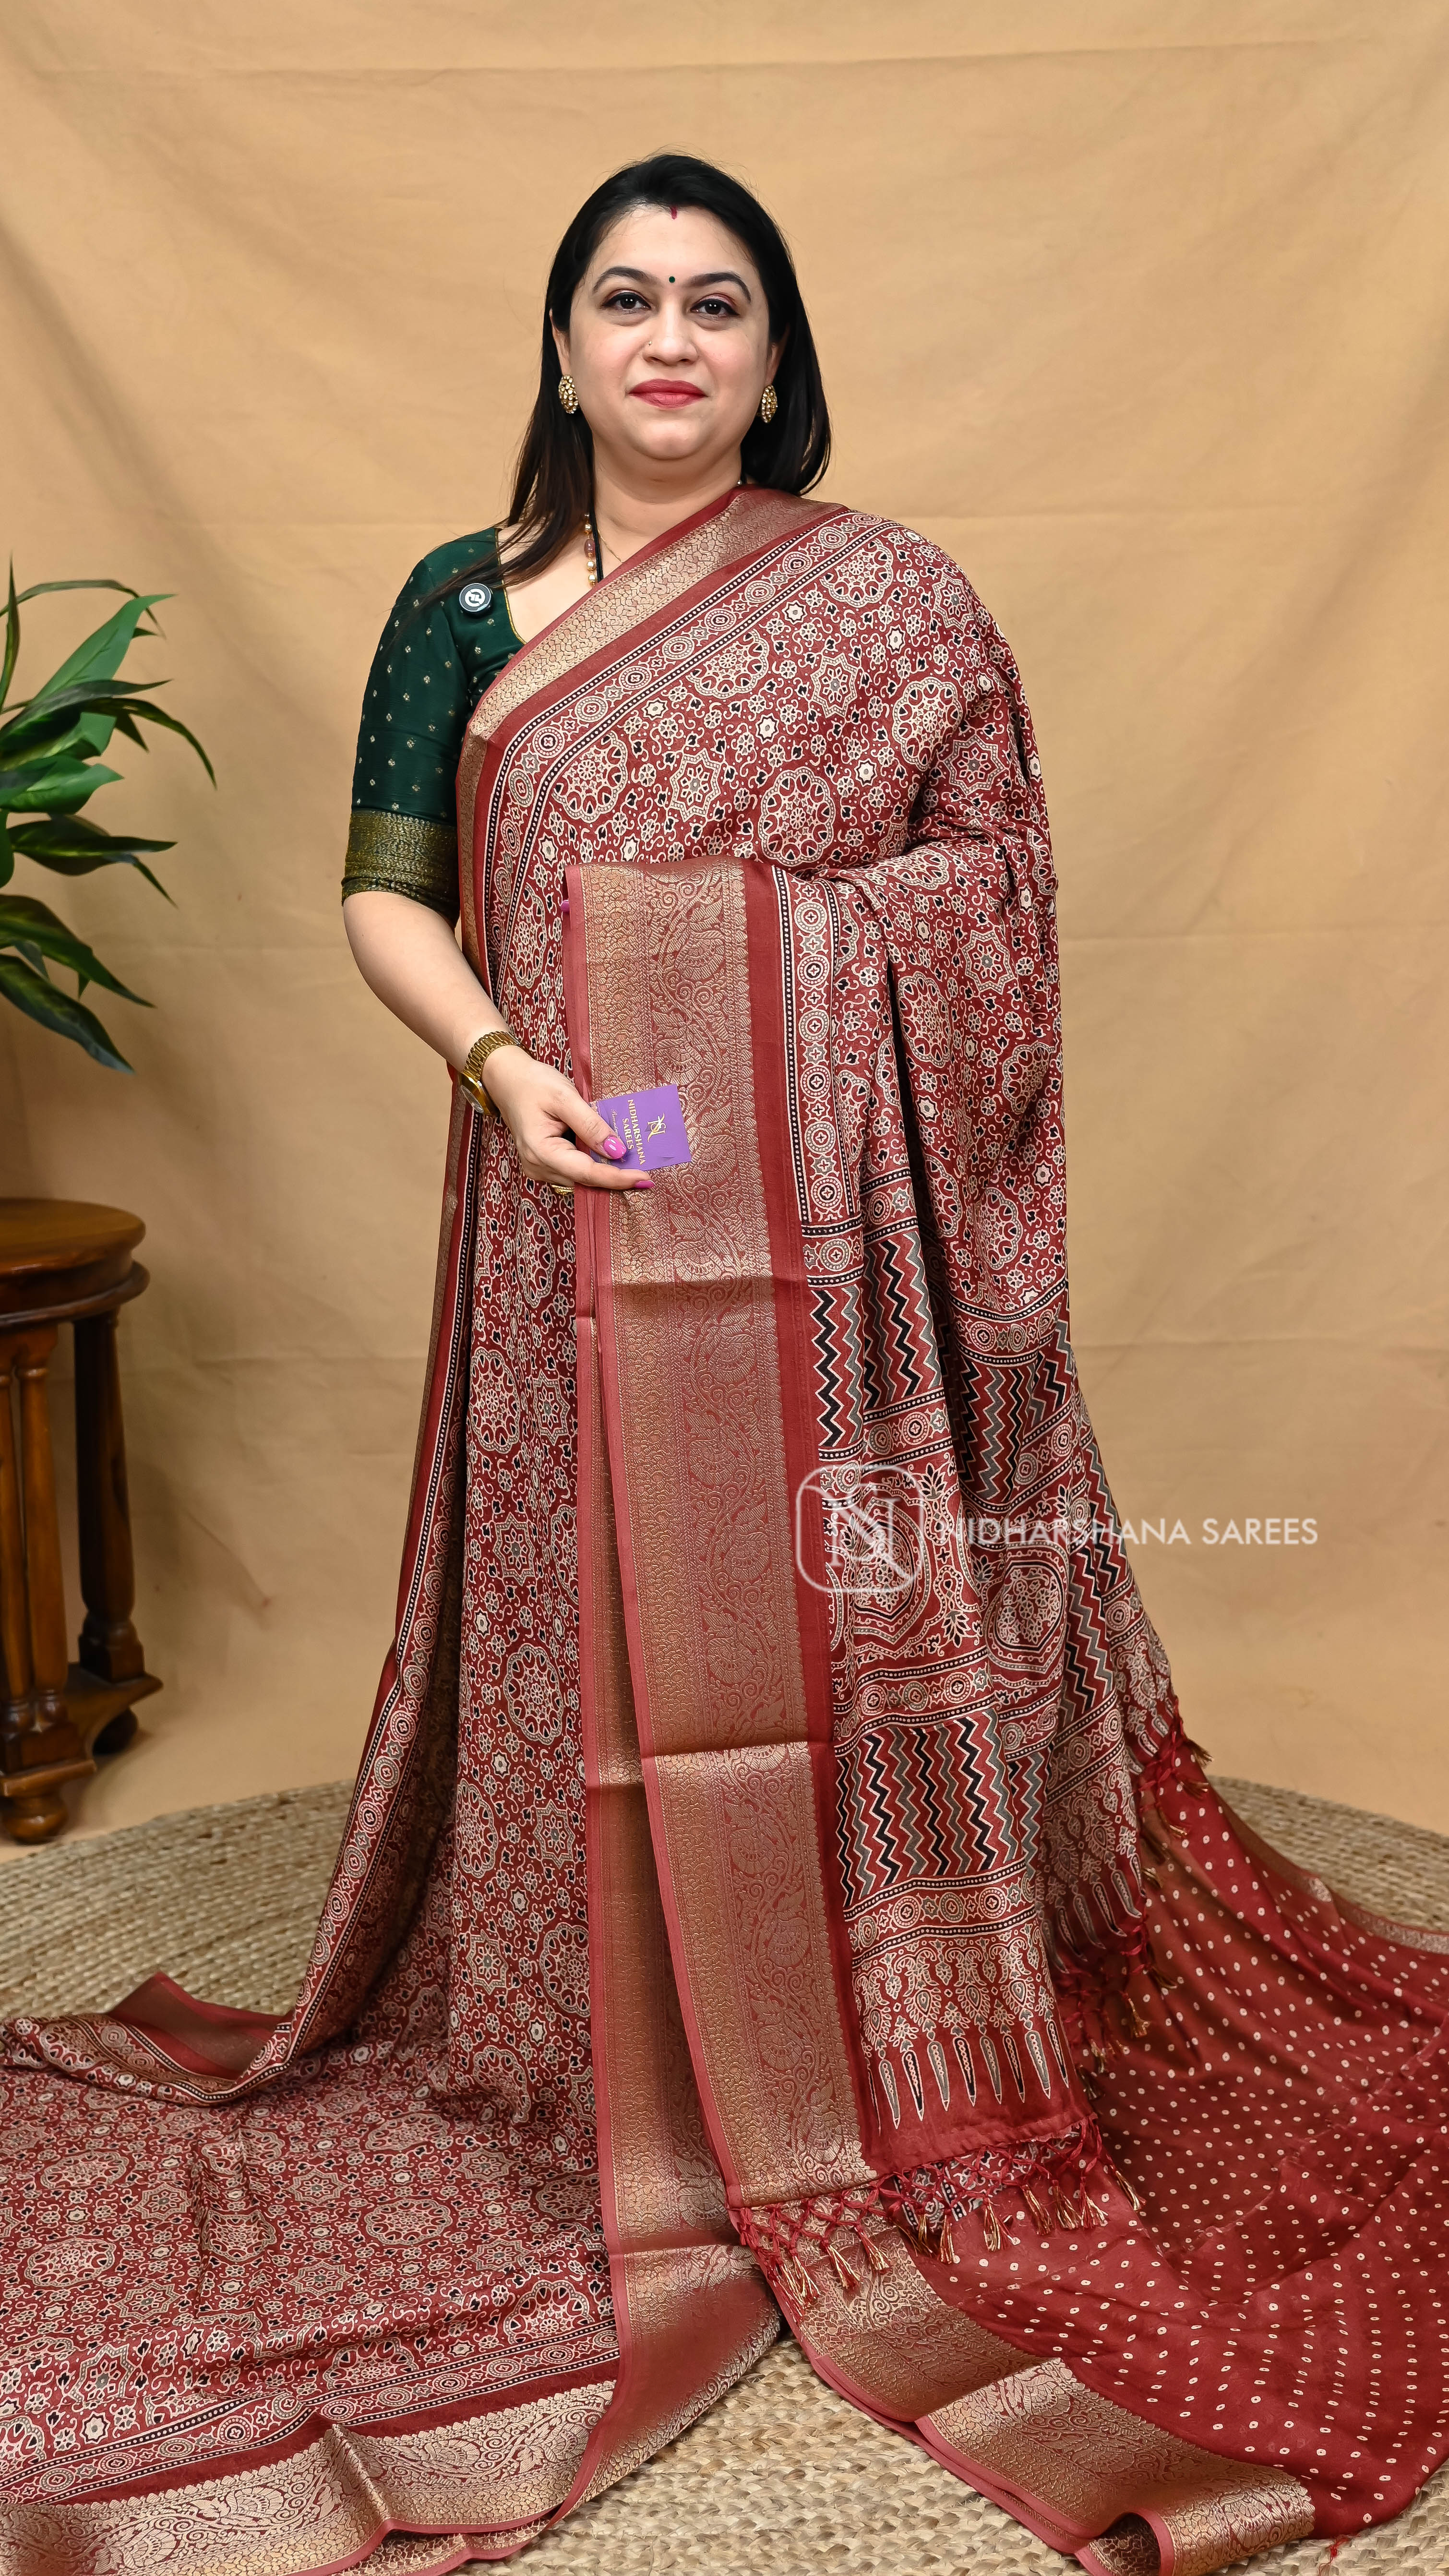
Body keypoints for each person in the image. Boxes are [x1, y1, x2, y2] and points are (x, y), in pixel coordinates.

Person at [2, 153, 1446, 2576]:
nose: (667, 341)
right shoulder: (461, 604)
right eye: (623, 299)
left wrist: (764, 968)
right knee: (602, 1618)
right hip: (567, 1195)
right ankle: (614, 2028)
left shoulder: (890, 602)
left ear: (774, 358)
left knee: (815, 1597)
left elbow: (991, 900)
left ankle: (853, 2031)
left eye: (714, 304)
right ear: (561, 344)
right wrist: (498, 1064)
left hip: (832, 1246)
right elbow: (383, 888)